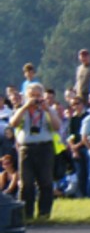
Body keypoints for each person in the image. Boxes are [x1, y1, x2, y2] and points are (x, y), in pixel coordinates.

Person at [7, 83, 59, 221]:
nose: (36, 99)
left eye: (38, 95)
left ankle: (44, 213)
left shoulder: (48, 110)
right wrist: (25, 107)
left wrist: (47, 110)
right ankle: (26, 214)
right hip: (27, 148)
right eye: (32, 96)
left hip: (45, 148)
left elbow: (57, 126)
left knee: (46, 182)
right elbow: (13, 123)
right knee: (26, 183)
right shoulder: (21, 110)